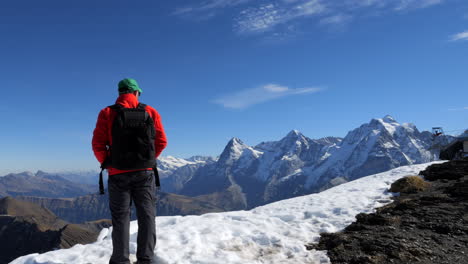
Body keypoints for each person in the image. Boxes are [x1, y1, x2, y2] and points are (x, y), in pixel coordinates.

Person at [92, 78, 167, 264]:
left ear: (119, 93)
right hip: (145, 174)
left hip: (118, 174)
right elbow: (161, 141)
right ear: (136, 93)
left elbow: (98, 145)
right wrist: (148, 160)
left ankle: (120, 260)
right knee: (147, 215)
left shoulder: (107, 112)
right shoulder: (150, 111)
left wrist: (109, 163)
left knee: (120, 218)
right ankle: (146, 259)